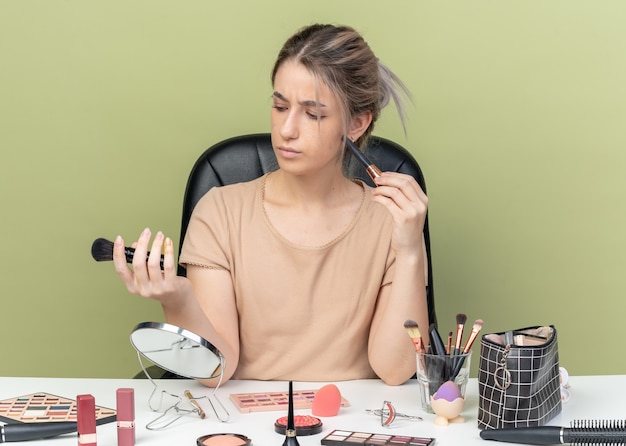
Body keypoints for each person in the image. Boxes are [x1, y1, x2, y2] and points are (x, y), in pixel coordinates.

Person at [113, 24, 429, 386]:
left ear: (356, 123)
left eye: (312, 114)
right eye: (280, 106)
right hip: (245, 423)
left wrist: (408, 251)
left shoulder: (391, 221)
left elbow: (396, 370)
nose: (286, 129)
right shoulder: (220, 212)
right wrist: (178, 298)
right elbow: (217, 370)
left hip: (353, 424)